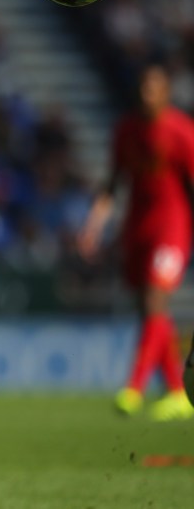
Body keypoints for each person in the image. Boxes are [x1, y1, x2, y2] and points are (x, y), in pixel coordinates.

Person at [78, 62, 194, 421]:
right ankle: (178, 393)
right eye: (142, 87)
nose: (146, 95)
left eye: (153, 88)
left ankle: (134, 387)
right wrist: (93, 226)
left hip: (171, 227)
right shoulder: (126, 130)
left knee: (154, 298)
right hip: (137, 228)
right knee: (149, 311)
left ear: (165, 93)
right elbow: (112, 183)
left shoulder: (180, 131)